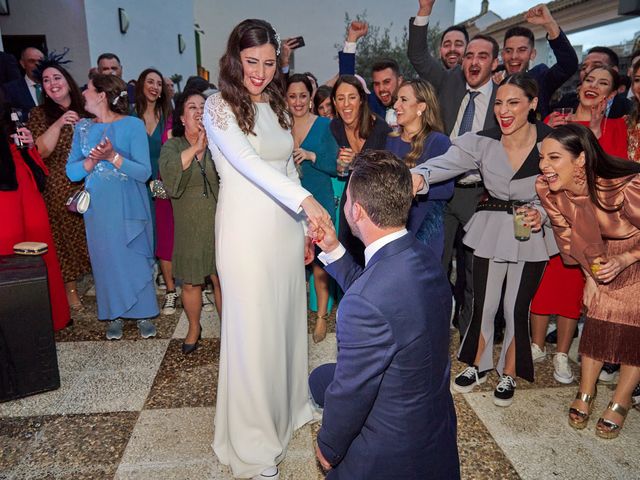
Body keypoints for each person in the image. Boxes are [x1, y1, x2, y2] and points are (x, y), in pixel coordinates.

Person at [202, 19, 329, 480]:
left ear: (279, 61)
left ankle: (293, 407)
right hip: (244, 234)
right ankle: (254, 449)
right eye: (251, 61)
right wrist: (308, 203)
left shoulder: (276, 103)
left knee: (284, 324)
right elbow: (249, 165)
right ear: (235, 59)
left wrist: (303, 229)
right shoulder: (217, 108)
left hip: (281, 231)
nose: (259, 71)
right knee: (253, 336)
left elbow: (287, 168)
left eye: (268, 62)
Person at [308, 151, 459, 479]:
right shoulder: (423, 256)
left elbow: (352, 391)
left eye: (346, 198)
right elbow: (378, 294)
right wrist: (333, 248)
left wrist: (328, 446)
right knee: (319, 378)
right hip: (436, 420)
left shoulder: (363, 303)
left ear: (356, 210)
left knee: (328, 385)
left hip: (391, 449)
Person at [412, 74, 558, 407]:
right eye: (499, 103)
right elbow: (446, 163)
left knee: (515, 307)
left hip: (530, 230)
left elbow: (566, 189)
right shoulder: (483, 141)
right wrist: (420, 175)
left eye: (514, 103)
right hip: (491, 227)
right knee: (485, 303)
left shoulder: (551, 142)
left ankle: (509, 371)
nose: (504, 111)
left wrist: (544, 215)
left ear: (533, 104)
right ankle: (479, 364)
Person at [537, 123, 640, 439]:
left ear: (580, 159)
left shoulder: (626, 186)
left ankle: (620, 400)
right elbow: (567, 237)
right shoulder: (547, 188)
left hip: (636, 255)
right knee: (596, 322)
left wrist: (626, 258)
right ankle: (585, 392)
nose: (544, 166)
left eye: (554, 157)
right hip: (597, 256)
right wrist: (589, 277)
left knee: (634, 331)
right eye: (542, 157)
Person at [530, 65, 628, 384]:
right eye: (589, 80)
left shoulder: (617, 127)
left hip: (604, 225)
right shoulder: (557, 121)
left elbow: (613, 174)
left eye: (603, 84)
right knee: (548, 285)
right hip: (561, 221)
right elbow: (541, 164)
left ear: (612, 94)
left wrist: (596, 131)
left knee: (583, 294)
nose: (593, 87)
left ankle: (566, 354)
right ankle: (536, 345)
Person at [408, 0, 500, 340]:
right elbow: (418, 56)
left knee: (475, 268)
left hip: (482, 194)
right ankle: (432, 327)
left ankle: (470, 331)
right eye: (469, 56)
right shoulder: (447, 83)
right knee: (435, 262)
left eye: (482, 56)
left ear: (495, 62)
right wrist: (425, 11)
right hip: (442, 192)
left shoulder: (504, 97)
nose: (473, 62)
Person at [66, 74, 158, 340]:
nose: (83, 93)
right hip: (98, 208)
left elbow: (144, 172)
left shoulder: (132, 125)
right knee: (105, 259)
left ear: (102, 95)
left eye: (88, 89)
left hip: (129, 202)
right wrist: (91, 162)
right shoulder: (82, 128)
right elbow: (72, 172)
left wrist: (112, 156)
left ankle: (143, 313)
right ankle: (113, 314)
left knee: (133, 256)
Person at [159, 89, 221, 354]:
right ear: (182, 118)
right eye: (192, 107)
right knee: (192, 282)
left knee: (222, 278)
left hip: (220, 219)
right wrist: (196, 148)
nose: (198, 112)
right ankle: (194, 327)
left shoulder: (221, 143)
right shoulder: (173, 145)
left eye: (203, 107)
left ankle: (228, 327)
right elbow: (170, 175)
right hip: (189, 222)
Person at [28, 55, 91, 312]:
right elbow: (40, 152)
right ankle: (71, 289)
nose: (52, 83)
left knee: (91, 236)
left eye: (57, 77)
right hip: (58, 187)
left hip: (89, 182)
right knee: (64, 240)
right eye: (46, 80)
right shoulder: (39, 114)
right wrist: (59, 122)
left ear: (67, 81)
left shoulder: (86, 109)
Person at [0, 105, 70, 331]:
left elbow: (32, 157)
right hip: (6, 199)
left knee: (40, 253)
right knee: (10, 259)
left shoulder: (7, 108)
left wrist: (28, 144)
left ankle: (52, 317)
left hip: (25, 188)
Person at [286, 74, 338, 343]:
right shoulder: (280, 126)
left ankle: (321, 318)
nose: (297, 101)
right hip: (288, 206)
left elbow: (334, 164)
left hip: (319, 199)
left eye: (303, 96)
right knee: (291, 262)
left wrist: (311, 156)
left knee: (320, 261)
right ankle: (292, 318)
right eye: (292, 96)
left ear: (311, 97)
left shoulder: (325, 125)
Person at [385, 79, 453, 257]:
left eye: (404, 100)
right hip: (391, 229)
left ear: (421, 107)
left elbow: (447, 189)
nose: (396, 105)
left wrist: (410, 184)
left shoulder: (438, 142)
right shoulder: (390, 140)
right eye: (397, 99)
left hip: (425, 228)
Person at [330, 75, 392, 266]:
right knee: (347, 259)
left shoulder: (381, 129)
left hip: (377, 205)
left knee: (375, 263)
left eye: (352, 97)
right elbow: (335, 164)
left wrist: (357, 160)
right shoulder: (335, 127)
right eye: (340, 98)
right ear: (334, 102)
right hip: (350, 202)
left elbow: (387, 170)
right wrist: (339, 164)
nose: (346, 104)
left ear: (362, 100)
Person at [133, 68, 176, 313]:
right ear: (141, 85)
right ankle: (147, 282)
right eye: (150, 82)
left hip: (161, 183)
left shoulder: (168, 114)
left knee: (163, 230)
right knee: (142, 230)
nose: (155, 87)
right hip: (137, 183)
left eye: (159, 83)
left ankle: (169, 282)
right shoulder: (130, 116)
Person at [498, 4, 578, 118]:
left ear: (532, 54)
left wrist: (549, 24)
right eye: (509, 50)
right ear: (502, 54)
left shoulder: (540, 79)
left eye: (522, 50)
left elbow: (568, 64)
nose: (514, 56)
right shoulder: (491, 80)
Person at [338, 21, 402, 123]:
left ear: (399, 80)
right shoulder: (372, 104)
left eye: (386, 82)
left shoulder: (414, 102)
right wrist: (352, 39)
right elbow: (346, 83)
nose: (381, 89)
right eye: (376, 84)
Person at [553, 46, 631, 119]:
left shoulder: (628, 109)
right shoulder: (567, 101)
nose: (587, 71)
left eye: (596, 66)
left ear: (614, 71)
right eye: (583, 68)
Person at [2, 47, 45, 118]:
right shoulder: (9, 89)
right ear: (22, 64)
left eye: (40, 61)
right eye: (31, 61)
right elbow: (6, 117)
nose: (37, 65)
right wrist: (31, 115)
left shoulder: (52, 85)